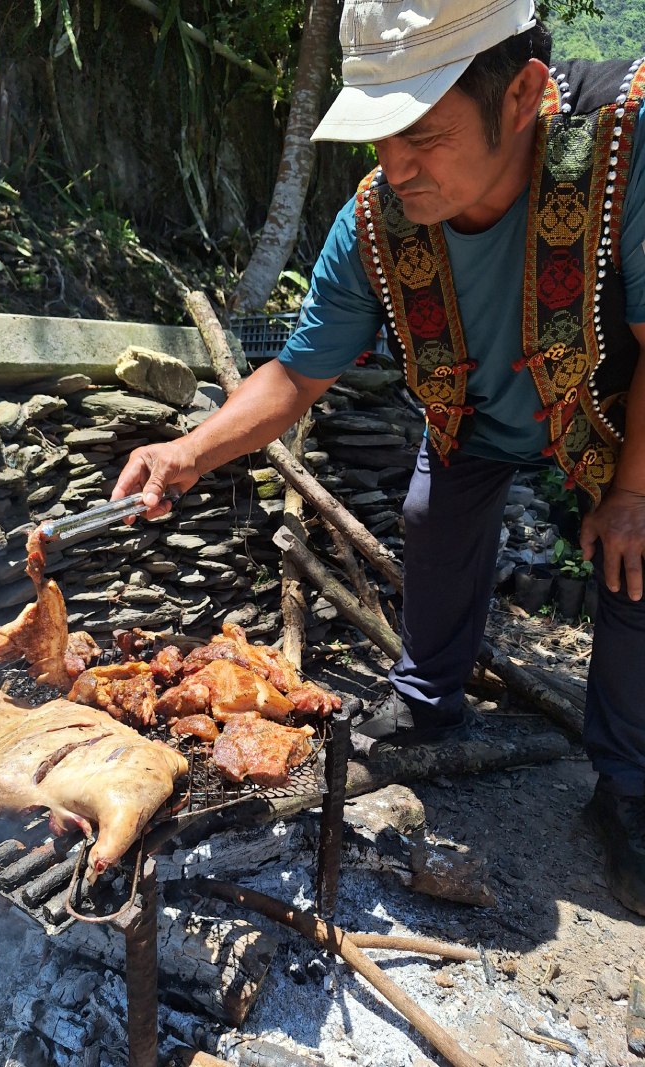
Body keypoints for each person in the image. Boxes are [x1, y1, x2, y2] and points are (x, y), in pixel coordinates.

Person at [114, 0, 645, 918]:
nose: (395, 168)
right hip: (477, 415)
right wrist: (188, 451)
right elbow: (295, 373)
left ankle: (629, 785)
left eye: (423, 136)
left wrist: (632, 491)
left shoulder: (622, 150)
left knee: (636, 556)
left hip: (618, 408)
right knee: (434, 516)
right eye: (379, 137)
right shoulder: (375, 221)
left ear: (520, 94)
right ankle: (430, 696)